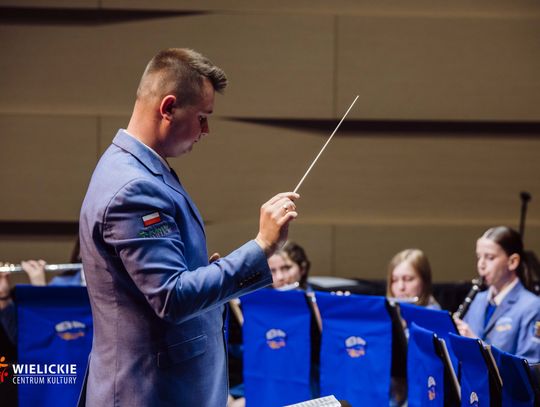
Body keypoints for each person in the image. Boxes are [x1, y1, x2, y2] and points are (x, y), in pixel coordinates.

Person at [78, 48, 299, 406]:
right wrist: (262, 246)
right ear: (168, 108)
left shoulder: (135, 167)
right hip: (150, 393)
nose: (206, 130)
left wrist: (204, 272)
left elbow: (156, 282)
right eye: (202, 117)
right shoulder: (134, 189)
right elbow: (171, 297)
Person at [454, 226, 540, 362]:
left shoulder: (532, 306)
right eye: (479, 257)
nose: (481, 264)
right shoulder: (478, 300)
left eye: (490, 258)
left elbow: (530, 366)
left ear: (513, 262)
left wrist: (478, 346)